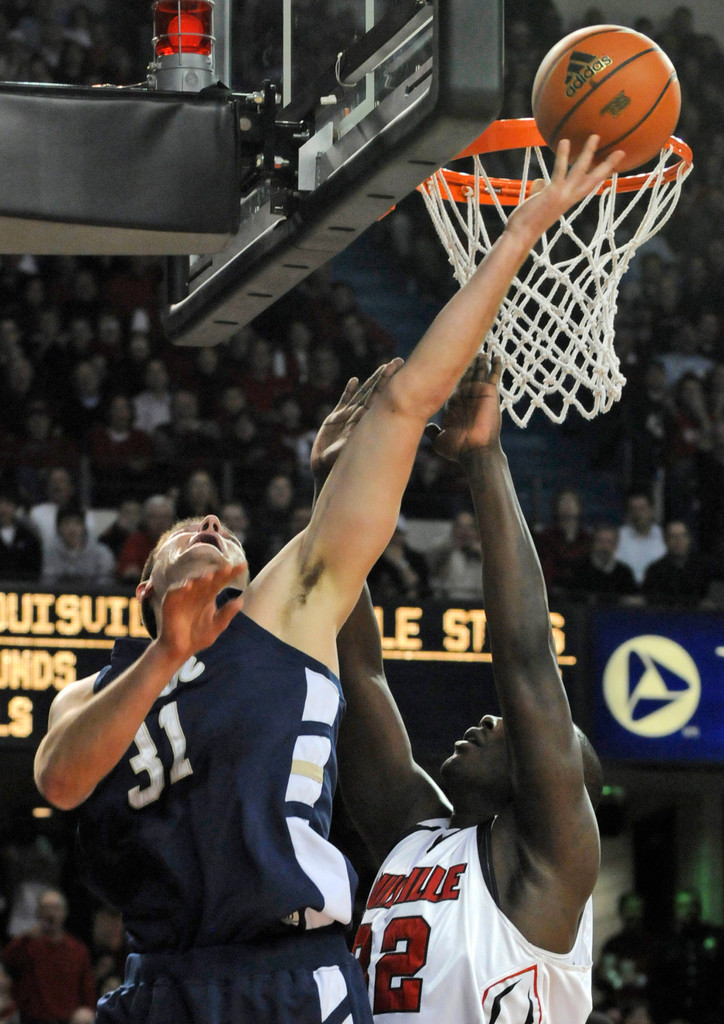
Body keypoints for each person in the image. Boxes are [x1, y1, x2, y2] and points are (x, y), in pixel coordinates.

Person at [33, 136, 622, 1024]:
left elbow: (408, 408)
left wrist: (521, 235)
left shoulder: (541, 863)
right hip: (163, 981)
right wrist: (170, 651)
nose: (208, 525)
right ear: (143, 582)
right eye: (183, 530)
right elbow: (64, 780)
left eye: (224, 529)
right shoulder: (98, 692)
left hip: (286, 980)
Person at [334, 355, 603, 1022]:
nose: (493, 719)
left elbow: (527, 662)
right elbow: (360, 673)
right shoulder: (416, 835)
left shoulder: (546, 867)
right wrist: (335, 487)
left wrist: (486, 462)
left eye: (521, 732)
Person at [1, 887, 96, 1024]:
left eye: (56, 908)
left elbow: (87, 989)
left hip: (67, 1019)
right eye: (46, 908)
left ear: (64, 912)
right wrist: (25, 938)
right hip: (31, 1018)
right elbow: (7, 961)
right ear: (39, 912)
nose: (51, 913)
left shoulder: (77, 949)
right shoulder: (27, 944)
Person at [641, 519, 712, 607]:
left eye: (683, 536)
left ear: (689, 539)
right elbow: (652, 601)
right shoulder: (654, 571)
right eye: (673, 537)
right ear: (665, 541)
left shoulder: (703, 568)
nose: (678, 541)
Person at [614, 492, 666, 586]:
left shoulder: (663, 536)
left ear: (651, 510)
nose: (637, 514)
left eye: (642, 509)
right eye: (633, 509)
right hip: (626, 588)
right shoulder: (618, 536)